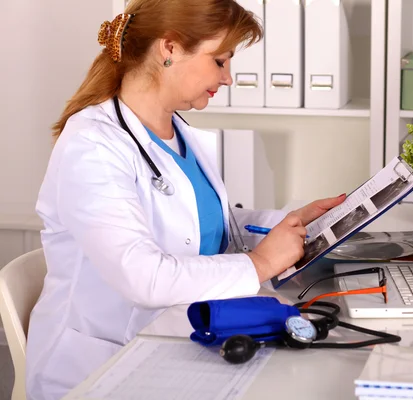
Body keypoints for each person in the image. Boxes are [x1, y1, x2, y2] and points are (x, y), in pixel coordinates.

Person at [25, 1, 346, 398]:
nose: (228, 78)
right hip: (103, 368)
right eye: (220, 61)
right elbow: (143, 277)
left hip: (180, 339)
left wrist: (294, 221)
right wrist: (261, 263)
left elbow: (205, 223)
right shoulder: (92, 144)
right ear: (170, 48)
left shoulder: (176, 131)